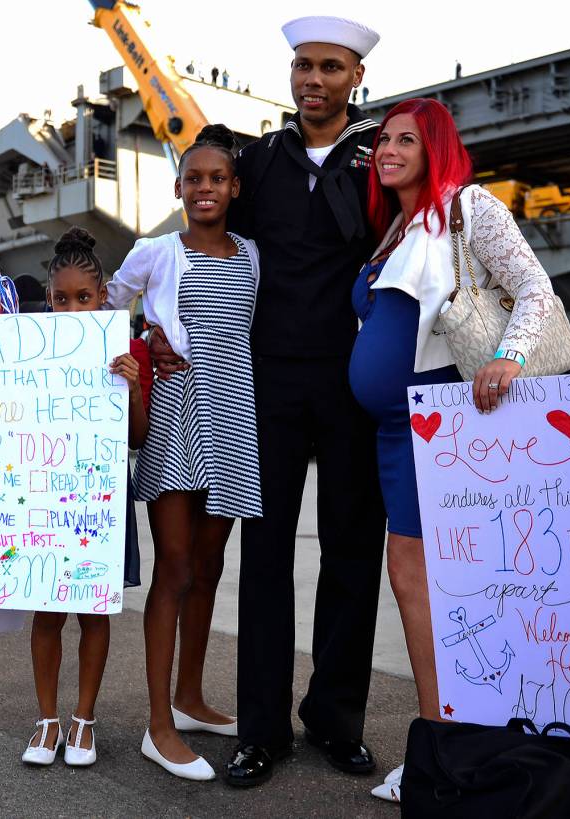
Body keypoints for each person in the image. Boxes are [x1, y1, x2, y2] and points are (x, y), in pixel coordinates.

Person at [149, 16, 386, 787]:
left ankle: (335, 718)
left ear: (355, 77)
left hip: (354, 378)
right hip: (269, 382)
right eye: (300, 66)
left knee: (353, 550)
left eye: (328, 67)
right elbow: (206, 246)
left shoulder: (378, 159)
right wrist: (154, 326)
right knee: (265, 554)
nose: (311, 79)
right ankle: (261, 730)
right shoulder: (260, 161)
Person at [354, 98, 557, 802]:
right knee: (422, 589)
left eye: (406, 139)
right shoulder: (397, 229)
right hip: (394, 432)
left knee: (441, 589)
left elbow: (535, 288)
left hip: (442, 428)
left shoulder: (467, 205)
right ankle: (446, 744)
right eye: (383, 140)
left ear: (435, 147)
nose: (388, 149)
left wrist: (511, 355)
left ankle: (454, 750)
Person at [106, 124, 262, 782]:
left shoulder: (255, 254)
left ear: (234, 188)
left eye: (216, 178)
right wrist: (140, 339)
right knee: (173, 569)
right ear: (179, 188)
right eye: (193, 179)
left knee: (210, 563)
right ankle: (157, 725)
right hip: (175, 414)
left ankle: (191, 697)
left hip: (234, 421)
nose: (205, 188)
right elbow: (103, 307)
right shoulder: (155, 252)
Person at [22, 227, 151, 768]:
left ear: (104, 299)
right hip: (45, 500)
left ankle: (84, 721)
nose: (72, 308)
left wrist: (135, 386)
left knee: (93, 614)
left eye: (84, 297)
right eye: (60, 298)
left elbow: (138, 438)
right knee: (47, 612)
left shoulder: (122, 352)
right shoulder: (27, 353)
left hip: (98, 499)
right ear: (48, 300)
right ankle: (47, 720)